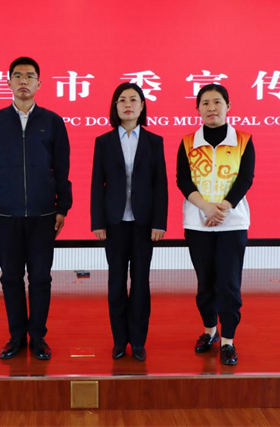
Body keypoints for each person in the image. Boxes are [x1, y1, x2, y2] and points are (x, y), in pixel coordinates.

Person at [0, 56, 72, 360]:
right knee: (11, 277)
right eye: (17, 76)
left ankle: (38, 336)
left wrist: (63, 207)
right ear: (8, 83)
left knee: (41, 277)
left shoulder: (52, 122)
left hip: (44, 214)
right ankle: (16, 335)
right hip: (5, 214)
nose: (23, 81)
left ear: (38, 84)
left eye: (29, 76)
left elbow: (62, 168)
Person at [176, 83, 255, 366]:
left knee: (229, 284)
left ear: (228, 106)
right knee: (206, 282)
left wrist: (223, 208)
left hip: (232, 224)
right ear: (197, 109)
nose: (211, 108)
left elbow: (245, 178)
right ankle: (210, 330)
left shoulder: (243, 140)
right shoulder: (188, 142)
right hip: (197, 224)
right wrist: (206, 208)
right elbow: (183, 180)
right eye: (205, 103)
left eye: (217, 102)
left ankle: (228, 341)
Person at [90, 83, 168, 362]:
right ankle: (119, 340)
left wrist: (159, 222)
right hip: (114, 223)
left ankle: (138, 340)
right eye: (122, 100)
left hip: (144, 224)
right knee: (116, 282)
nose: (127, 104)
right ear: (115, 106)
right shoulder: (104, 141)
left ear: (142, 106)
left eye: (133, 99)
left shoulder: (154, 141)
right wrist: (97, 221)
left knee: (141, 283)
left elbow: (160, 185)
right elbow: (97, 184)